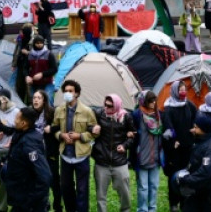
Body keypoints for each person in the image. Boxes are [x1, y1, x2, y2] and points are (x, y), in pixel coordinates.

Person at [53, 79, 97, 212]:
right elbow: (54, 128)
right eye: (65, 91)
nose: (67, 93)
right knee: (66, 187)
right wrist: (61, 135)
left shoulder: (87, 111)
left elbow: (94, 132)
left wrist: (80, 136)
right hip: (65, 155)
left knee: (82, 189)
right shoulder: (59, 110)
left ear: (77, 93)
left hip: (81, 156)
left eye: (70, 91)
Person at [174, 113, 211, 212]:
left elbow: (206, 172)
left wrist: (186, 179)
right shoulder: (199, 142)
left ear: (204, 129)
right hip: (198, 191)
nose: (193, 129)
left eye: (195, 127)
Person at [92, 93, 135, 212]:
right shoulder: (99, 114)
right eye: (105, 105)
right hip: (101, 162)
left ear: (116, 105)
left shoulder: (126, 117)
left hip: (120, 162)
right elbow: (88, 125)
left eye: (110, 106)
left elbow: (133, 135)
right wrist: (92, 128)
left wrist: (125, 146)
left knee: (125, 194)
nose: (107, 108)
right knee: (101, 196)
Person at [3, 107, 52, 212]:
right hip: (20, 198)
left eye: (16, 118)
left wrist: (31, 201)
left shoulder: (30, 143)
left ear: (23, 123)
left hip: (29, 203)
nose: (14, 120)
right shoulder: (20, 134)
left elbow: (44, 176)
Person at [161, 82, 197, 212]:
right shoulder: (169, 108)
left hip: (188, 146)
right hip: (175, 149)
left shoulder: (189, 104)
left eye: (184, 89)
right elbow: (167, 128)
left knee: (186, 174)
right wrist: (173, 140)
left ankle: (185, 201)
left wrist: (194, 128)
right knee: (174, 175)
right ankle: (173, 202)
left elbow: (195, 118)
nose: (183, 92)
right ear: (175, 91)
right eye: (180, 90)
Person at [31, 89, 62, 212]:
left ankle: (58, 206)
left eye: (38, 98)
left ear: (44, 100)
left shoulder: (52, 112)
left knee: (54, 181)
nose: (35, 100)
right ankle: (44, 205)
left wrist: (52, 129)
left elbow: (62, 125)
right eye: (34, 98)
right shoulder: (30, 114)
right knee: (39, 181)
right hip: (36, 153)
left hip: (50, 153)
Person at [132, 90, 163, 212]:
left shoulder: (158, 115)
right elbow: (131, 132)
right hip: (142, 157)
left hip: (155, 156)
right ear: (143, 101)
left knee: (154, 186)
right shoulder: (137, 115)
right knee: (143, 188)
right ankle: (142, 209)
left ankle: (152, 209)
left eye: (154, 100)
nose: (153, 103)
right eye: (150, 101)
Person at [25, 35, 58, 106]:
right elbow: (25, 68)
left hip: (47, 82)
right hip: (34, 84)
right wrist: (27, 76)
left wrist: (42, 74)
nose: (39, 45)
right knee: (35, 103)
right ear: (34, 44)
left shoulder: (49, 54)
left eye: (41, 43)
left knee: (48, 101)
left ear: (43, 43)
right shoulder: (30, 55)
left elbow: (54, 69)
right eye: (37, 43)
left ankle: (50, 115)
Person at [13, 23, 34, 104]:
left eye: (22, 32)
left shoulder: (33, 41)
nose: (20, 33)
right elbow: (16, 52)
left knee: (28, 87)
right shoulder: (20, 40)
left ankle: (30, 103)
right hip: (21, 65)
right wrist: (14, 64)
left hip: (29, 67)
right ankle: (20, 102)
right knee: (19, 86)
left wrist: (27, 53)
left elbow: (37, 54)